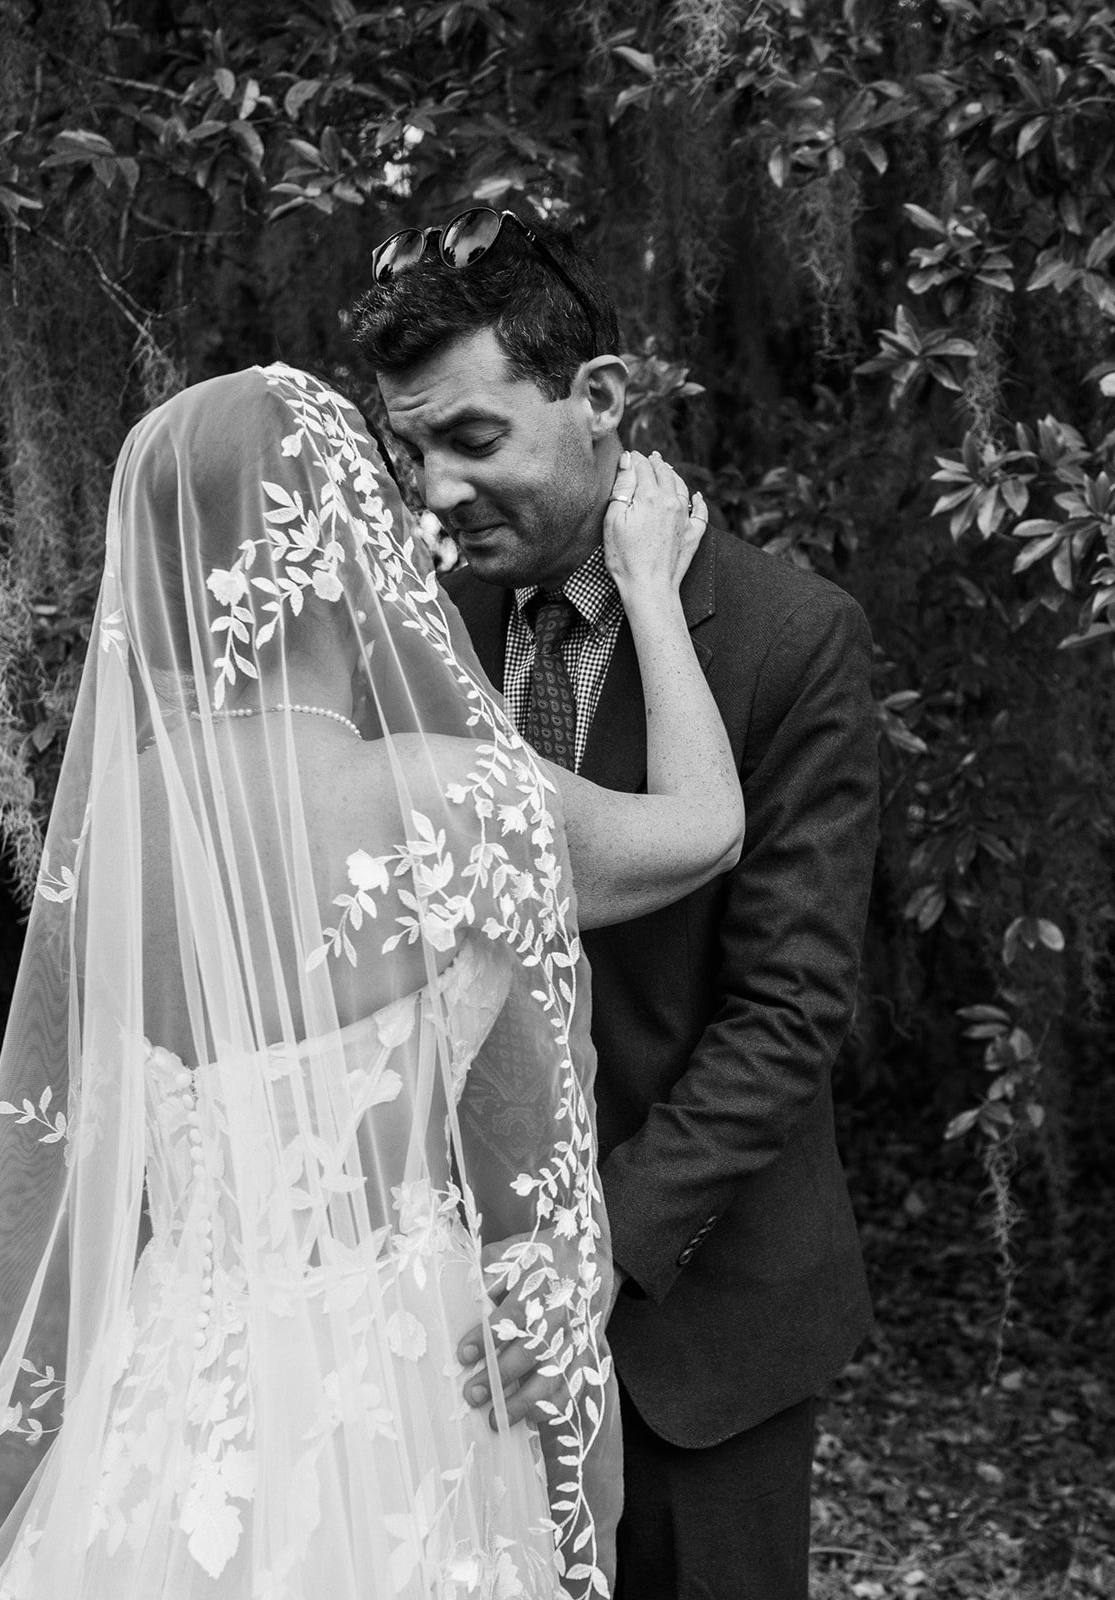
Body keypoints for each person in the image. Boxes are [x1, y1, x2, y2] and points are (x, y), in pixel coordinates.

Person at [0, 363, 742, 1599]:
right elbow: (692, 840)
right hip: (404, 1381)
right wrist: (649, 590)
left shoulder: (123, 827)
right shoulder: (455, 800)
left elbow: (99, 1157)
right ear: (354, 550)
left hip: (171, 1387)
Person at [351, 207, 878, 1600]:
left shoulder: (786, 638)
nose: (440, 492)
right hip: (454, 1333)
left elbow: (789, 1009)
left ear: (598, 402)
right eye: (414, 454)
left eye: (472, 438)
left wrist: (599, 1252)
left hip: (699, 1329)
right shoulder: (427, 639)